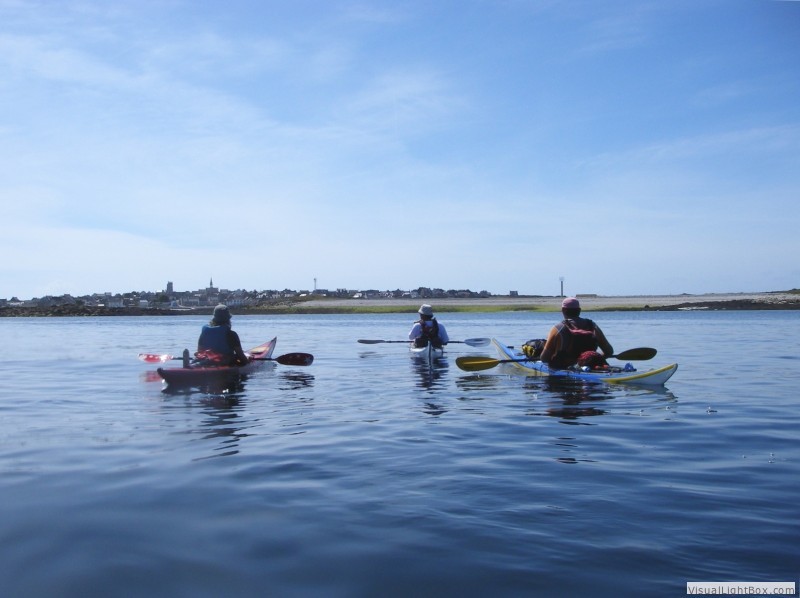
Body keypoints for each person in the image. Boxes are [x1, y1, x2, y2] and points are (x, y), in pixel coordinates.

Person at [539, 297, 614, 369]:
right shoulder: (593, 326)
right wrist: (592, 359)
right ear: (579, 310)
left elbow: (544, 358)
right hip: (589, 367)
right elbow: (609, 351)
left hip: (565, 368)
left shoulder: (558, 328)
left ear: (563, 310)